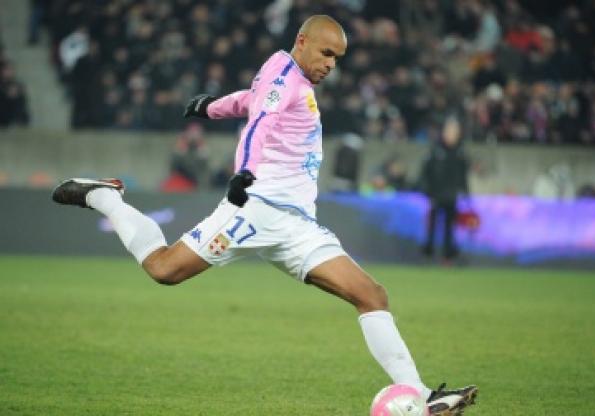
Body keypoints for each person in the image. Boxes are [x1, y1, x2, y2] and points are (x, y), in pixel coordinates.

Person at [52, 15, 477, 415]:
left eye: (337, 58)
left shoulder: (290, 79)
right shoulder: (284, 74)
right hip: (255, 211)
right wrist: (245, 171)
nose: (331, 65)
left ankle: (422, 397)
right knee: (164, 269)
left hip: (297, 225)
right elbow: (261, 121)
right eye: (326, 53)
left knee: (372, 295)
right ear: (302, 41)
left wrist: (212, 107)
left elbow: (251, 101)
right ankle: (104, 198)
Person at [418, 116, 470, 261]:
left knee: (450, 226)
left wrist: (465, 193)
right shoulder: (435, 151)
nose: (451, 134)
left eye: (454, 131)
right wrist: (427, 191)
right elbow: (426, 172)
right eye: (449, 131)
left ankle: (448, 256)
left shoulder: (460, 153)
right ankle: (428, 254)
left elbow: (463, 175)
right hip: (436, 194)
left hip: (452, 195)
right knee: (432, 225)